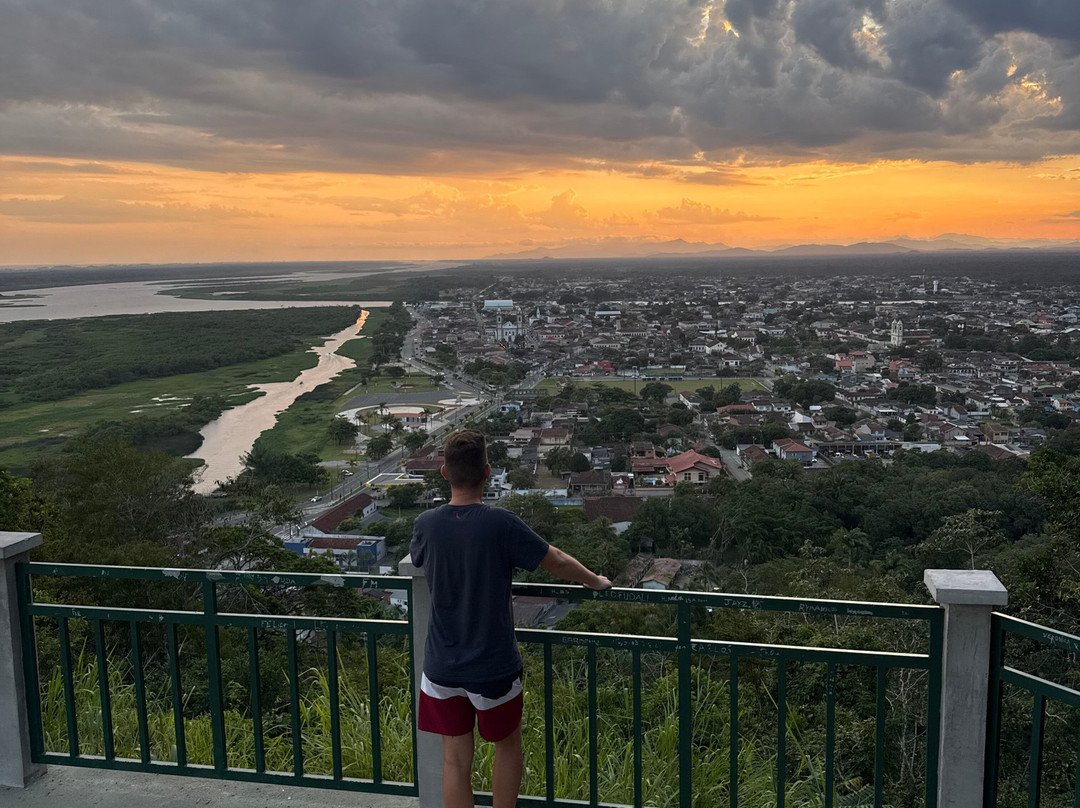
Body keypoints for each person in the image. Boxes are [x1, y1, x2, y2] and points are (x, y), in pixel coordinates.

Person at [411, 429, 612, 808]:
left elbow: (419, 558)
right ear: (487, 473)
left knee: (454, 760)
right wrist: (594, 580)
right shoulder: (500, 523)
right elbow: (555, 560)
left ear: (444, 473)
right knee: (506, 748)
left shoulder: (427, 523)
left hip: (441, 666)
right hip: (492, 665)